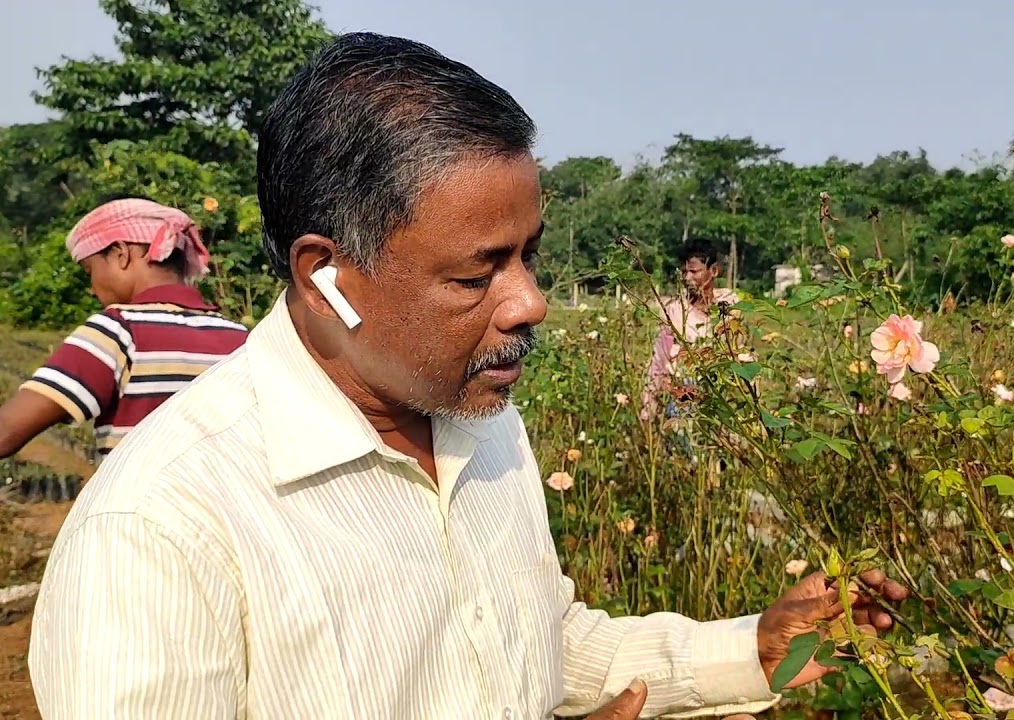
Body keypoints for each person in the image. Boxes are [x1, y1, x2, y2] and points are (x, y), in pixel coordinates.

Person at [28, 33, 907, 720]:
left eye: (530, 256)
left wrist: (752, 647)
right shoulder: (159, 529)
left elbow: (531, 642)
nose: (531, 303)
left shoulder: (481, 427)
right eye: (475, 273)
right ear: (324, 276)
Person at [0, 196, 248, 493]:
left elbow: (7, 430)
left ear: (120, 253)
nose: (92, 289)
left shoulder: (119, 331)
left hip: (141, 526)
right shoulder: (241, 340)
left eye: (89, 271)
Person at [641, 238, 739, 422]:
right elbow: (659, 363)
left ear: (714, 271)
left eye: (694, 272)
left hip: (724, 389)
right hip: (686, 394)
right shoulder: (676, 311)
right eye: (685, 272)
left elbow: (740, 349)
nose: (687, 278)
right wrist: (650, 407)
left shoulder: (729, 304)